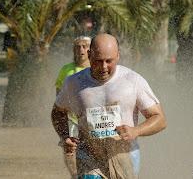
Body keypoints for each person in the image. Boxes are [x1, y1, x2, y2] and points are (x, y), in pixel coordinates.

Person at [51, 33, 167, 178]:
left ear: (118, 56)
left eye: (109, 61)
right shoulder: (74, 82)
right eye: (98, 61)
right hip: (89, 155)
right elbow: (58, 112)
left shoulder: (133, 81)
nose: (103, 67)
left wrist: (136, 131)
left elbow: (160, 119)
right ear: (89, 55)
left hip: (124, 154)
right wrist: (65, 135)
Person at [54, 36, 91, 178]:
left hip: (92, 122)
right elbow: (58, 99)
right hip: (72, 121)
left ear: (91, 49)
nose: (81, 50)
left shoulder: (98, 68)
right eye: (78, 47)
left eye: (85, 46)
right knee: (70, 152)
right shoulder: (66, 70)